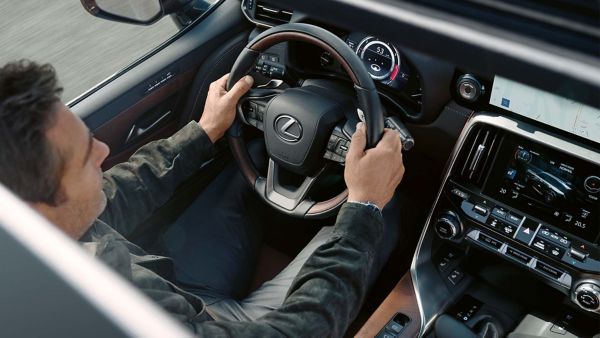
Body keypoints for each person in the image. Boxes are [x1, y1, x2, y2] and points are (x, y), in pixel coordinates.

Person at [0, 60, 405, 337]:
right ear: (36, 210)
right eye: (85, 157)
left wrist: (205, 130)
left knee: (249, 164)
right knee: (384, 209)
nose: (104, 151)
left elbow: (113, 195)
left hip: (174, 292)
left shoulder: (34, 232)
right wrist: (364, 206)